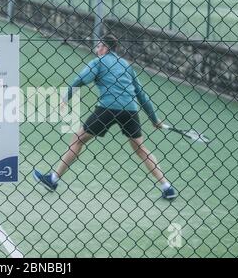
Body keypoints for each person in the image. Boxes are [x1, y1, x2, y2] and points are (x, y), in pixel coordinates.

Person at [33, 34, 177, 200]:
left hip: (107, 108)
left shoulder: (98, 62)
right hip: (130, 110)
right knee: (140, 149)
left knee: (78, 139)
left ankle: (53, 179)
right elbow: (141, 95)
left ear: (105, 48)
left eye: (98, 46)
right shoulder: (125, 65)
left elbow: (81, 79)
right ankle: (167, 187)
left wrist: (66, 97)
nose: (96, 49)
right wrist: (154, 120)